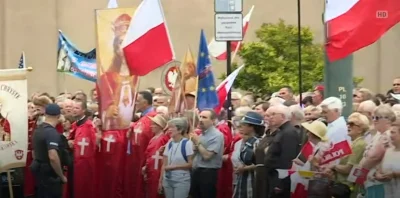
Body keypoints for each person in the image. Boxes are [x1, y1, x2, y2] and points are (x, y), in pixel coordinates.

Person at [264, 105, 300, 198]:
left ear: (283, 116)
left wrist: (280, 183)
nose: (270, 117)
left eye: (273, 114)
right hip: (274, 175)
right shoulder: (282, 131)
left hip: (280, 178)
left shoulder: (288, 132)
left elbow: (287, 159)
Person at [31, 104, 67, 198]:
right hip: (50, 175)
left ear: (45, 114)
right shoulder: (51, 132)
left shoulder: (38, 130)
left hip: (39, 172)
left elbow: (34, 152)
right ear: (58, 116)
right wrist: (61, 176)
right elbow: (53, 156)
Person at [190, 109, 224, 198]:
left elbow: (207, 156)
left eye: (204, 117)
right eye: (200, 116)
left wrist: (197, 142)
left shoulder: (217, 135)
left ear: (212, 121)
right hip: (196, 171)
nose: (200, 119)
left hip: (208, 173)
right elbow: (193, 155)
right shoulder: (201, 135)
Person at [233, 111, 264, 198]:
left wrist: (245, 168)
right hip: (241, 179)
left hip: (253, 180)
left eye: (244, 125)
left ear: (251, 127)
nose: (240, 127)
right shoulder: (243, 142)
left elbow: (261, 163)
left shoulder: (258, 143)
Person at [161, 118, 194, 198]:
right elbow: (164, 164)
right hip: (167, 179)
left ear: (180, 130)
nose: (169, 130)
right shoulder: (169, 143)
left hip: (181, 180)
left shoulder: (187, 143)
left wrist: (174, 166)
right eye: (169, 127)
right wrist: (161, 180)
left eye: (172, 127)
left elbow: (190, 164)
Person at [70, 100, 97, 198]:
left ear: (84, 110)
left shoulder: (89, 126)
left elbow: (91, 145)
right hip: (74, 162)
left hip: (84, 164)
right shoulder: (74, 124)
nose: (73, 110)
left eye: (77, 108)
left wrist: (74, 143)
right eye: (73, 108)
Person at [144, 115, 170, 198]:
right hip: (150, 171)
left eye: (153, 124)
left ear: (159, 126)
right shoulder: (153, 138)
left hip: (157, 171)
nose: (151, 126)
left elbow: (163, 156)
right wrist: (146, 167)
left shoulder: (163, 139)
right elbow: (149, 155)